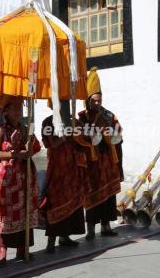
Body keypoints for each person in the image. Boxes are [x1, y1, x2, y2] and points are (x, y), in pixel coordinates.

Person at [0, 95, 41, 267]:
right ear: (6, 111)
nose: (20, 111)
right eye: (16, 108)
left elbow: (36, 147)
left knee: (25, 211)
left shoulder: (26, 128)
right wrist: (15, 154)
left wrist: (30, 147)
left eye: (21, 108)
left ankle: (22, 248)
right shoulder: (0, 129)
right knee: (6, 214)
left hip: (25, 175)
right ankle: (2, 252)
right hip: (8, 177)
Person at [78, 67, 123, 240]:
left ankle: (106, 226)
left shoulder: (109, 115)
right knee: (92, 194)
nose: (97, 103)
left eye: (100, 100)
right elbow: (80, 138)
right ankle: (90, 229)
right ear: (88, 100)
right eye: (94, 101)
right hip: (91, 162)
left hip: (108, 160)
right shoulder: (82, 117)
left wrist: (110, 130)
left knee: (109, 196)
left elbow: (119, 134)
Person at [41, 101, 89, 252]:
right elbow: (50, 144)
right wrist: (64, 135)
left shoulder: (74, 121)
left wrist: (78, 132)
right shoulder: (48, 122)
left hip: (73, 169)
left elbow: (85, 140)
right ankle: (51, 240)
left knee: (72, 202)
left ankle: (65, 237)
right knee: (55, 203)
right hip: (57, 169)